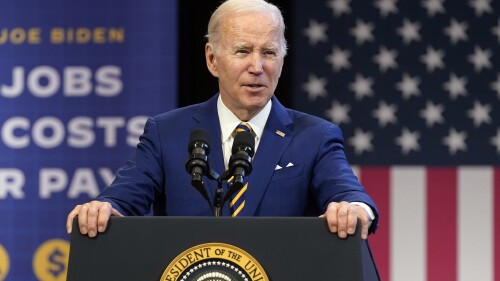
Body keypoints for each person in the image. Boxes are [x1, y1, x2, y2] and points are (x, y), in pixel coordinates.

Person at [66, 0, 379, 240]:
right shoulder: (167, 132)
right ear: (212, 59)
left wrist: (353, 209)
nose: (257, 66)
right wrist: (103, 209)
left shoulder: (315, 136)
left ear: (282, 62)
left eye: (269, 53)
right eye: (242, 51)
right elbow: (122, 198)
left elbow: (350, 196)